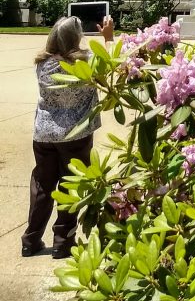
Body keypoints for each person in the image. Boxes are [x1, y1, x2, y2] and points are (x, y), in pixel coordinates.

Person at [21, 13, 114, 258]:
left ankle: (30, 240)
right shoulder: (87, 62)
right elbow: (112, 64)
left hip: (44, 134)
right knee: (71, 185)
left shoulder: (42, 64)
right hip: (76, 136)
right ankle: (63, 242)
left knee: (42, 185)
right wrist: (109, 38)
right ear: (77, 37)